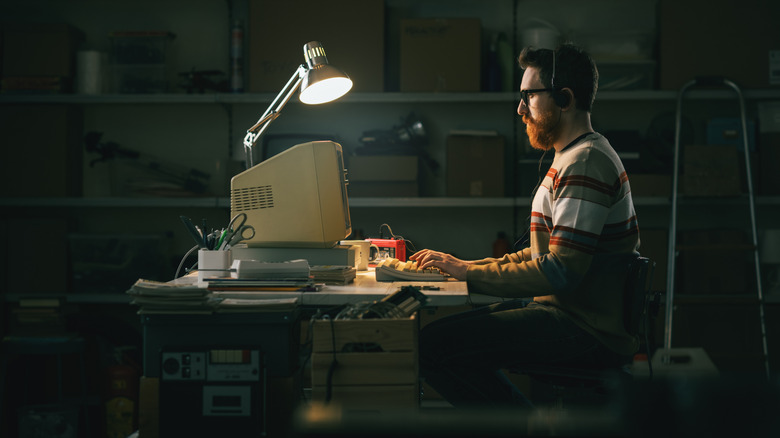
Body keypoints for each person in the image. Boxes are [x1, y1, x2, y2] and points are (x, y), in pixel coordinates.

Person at [410, 43, 641, 408]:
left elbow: (561, 271)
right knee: (436, 340)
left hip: (583, 330)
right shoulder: (571, 157)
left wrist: (468, 274)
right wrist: (465, 267)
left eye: (528, 96)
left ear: (564, 99)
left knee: (432, 347)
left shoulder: (586, 163)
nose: (520, 109)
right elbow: (539, 257)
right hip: (565, 316)